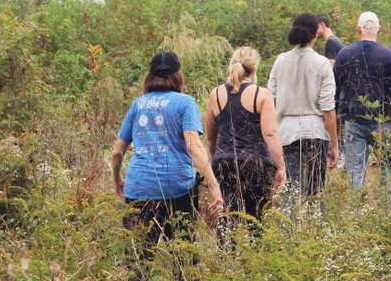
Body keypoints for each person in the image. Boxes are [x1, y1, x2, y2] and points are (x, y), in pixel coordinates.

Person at [111, 51, 224, 262]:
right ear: (178, 75)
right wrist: (214, 185)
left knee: (137, 261)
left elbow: (118, 151)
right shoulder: (184, 103)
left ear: (150, 76)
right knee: (183, 258)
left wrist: (116, 177)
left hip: (138, 188)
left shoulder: (137, 104)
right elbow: (193, 145)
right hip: (177, 190)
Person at [204, 47, 287, 238]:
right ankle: (257, 263)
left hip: (224, 162)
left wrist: (216, 156)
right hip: (256, 163)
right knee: (257, 219)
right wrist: (281, 166)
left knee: (227, 218)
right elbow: (270, 133)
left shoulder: (215, 94)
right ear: (255, 69)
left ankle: (225, 261)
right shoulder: (262, 95)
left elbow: (210, 135)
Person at [333, 11, 391, 209]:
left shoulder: (345, 54)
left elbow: (335, 88)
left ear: (358, 29)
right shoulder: (388, 55)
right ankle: (386, 209)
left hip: (354, 120)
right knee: (388, 166)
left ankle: (358, 212)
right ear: (379, 29)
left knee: (356, 169)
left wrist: (337, 115)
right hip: (383, 121)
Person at [268, 13, 339, 215]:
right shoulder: (322, 63)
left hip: (287, 132)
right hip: (316, 132)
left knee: (291, 189)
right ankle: (316, 233)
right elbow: (328, 109)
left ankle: (289, 234)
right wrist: (334, 144)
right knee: (316, 190)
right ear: (315, 34)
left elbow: (271, 99)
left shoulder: (280, 61)